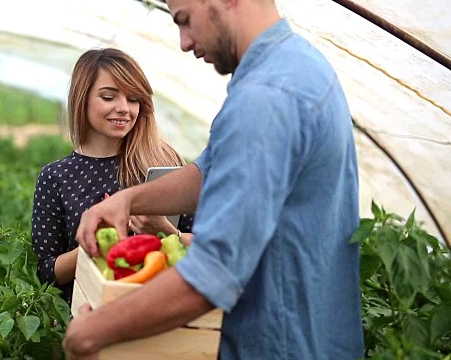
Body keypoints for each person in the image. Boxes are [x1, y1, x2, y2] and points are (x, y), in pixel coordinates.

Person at [63, 0, 365, 359]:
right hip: (316, 335)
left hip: (279, 344)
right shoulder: (297, 66)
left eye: (185, 20)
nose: (184, 42)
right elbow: (207, 174)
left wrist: (91, 331)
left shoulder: (266, 97)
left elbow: (211, 274)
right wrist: (126, 200)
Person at [31, 47, 194, 305]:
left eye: (133, 99)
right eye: (109, 97)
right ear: (82, 98)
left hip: (159, 312)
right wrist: (95, 241)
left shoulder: (165, 163)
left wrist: (165, 231)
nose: (123, 109)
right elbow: (47, 271)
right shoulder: (56, 176)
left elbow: (207, 248)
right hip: (90, 315)